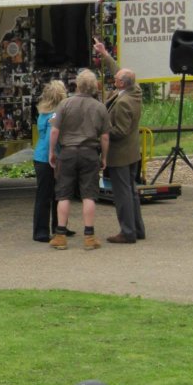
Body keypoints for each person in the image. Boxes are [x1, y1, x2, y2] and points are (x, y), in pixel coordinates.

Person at [48, 69, 110, 250]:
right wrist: (104, 157)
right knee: (89, 195)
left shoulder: (65, 104)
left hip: (67, 153)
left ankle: (60, 236)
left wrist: (52, 152)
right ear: (94, 86)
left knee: (63, 194)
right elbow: (105, 137)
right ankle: (89, 237)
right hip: (89, 153)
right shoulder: (100, 107)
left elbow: (54, 131)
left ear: (77, 85)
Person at [93, 38, 145, 244]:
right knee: (131, 191)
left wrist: (102, 132)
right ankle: (137, 229)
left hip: (121, 154)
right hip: (132, 152)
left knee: (123, 194)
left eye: (116, 79)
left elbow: (121, 131)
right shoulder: (135, 90)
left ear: (122, 84)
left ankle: (127, 232)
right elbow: (119, 70)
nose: (113, 79)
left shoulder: (124, 102)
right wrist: (105, 54)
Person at [32, 80, 71, 242]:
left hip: (39, 156)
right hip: (49, 158)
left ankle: (53, 226)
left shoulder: (43, 112)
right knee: (54, 194)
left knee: (47, 194)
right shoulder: (55, 115)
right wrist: (53, 155)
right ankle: (45, 230)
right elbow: (51, 138)